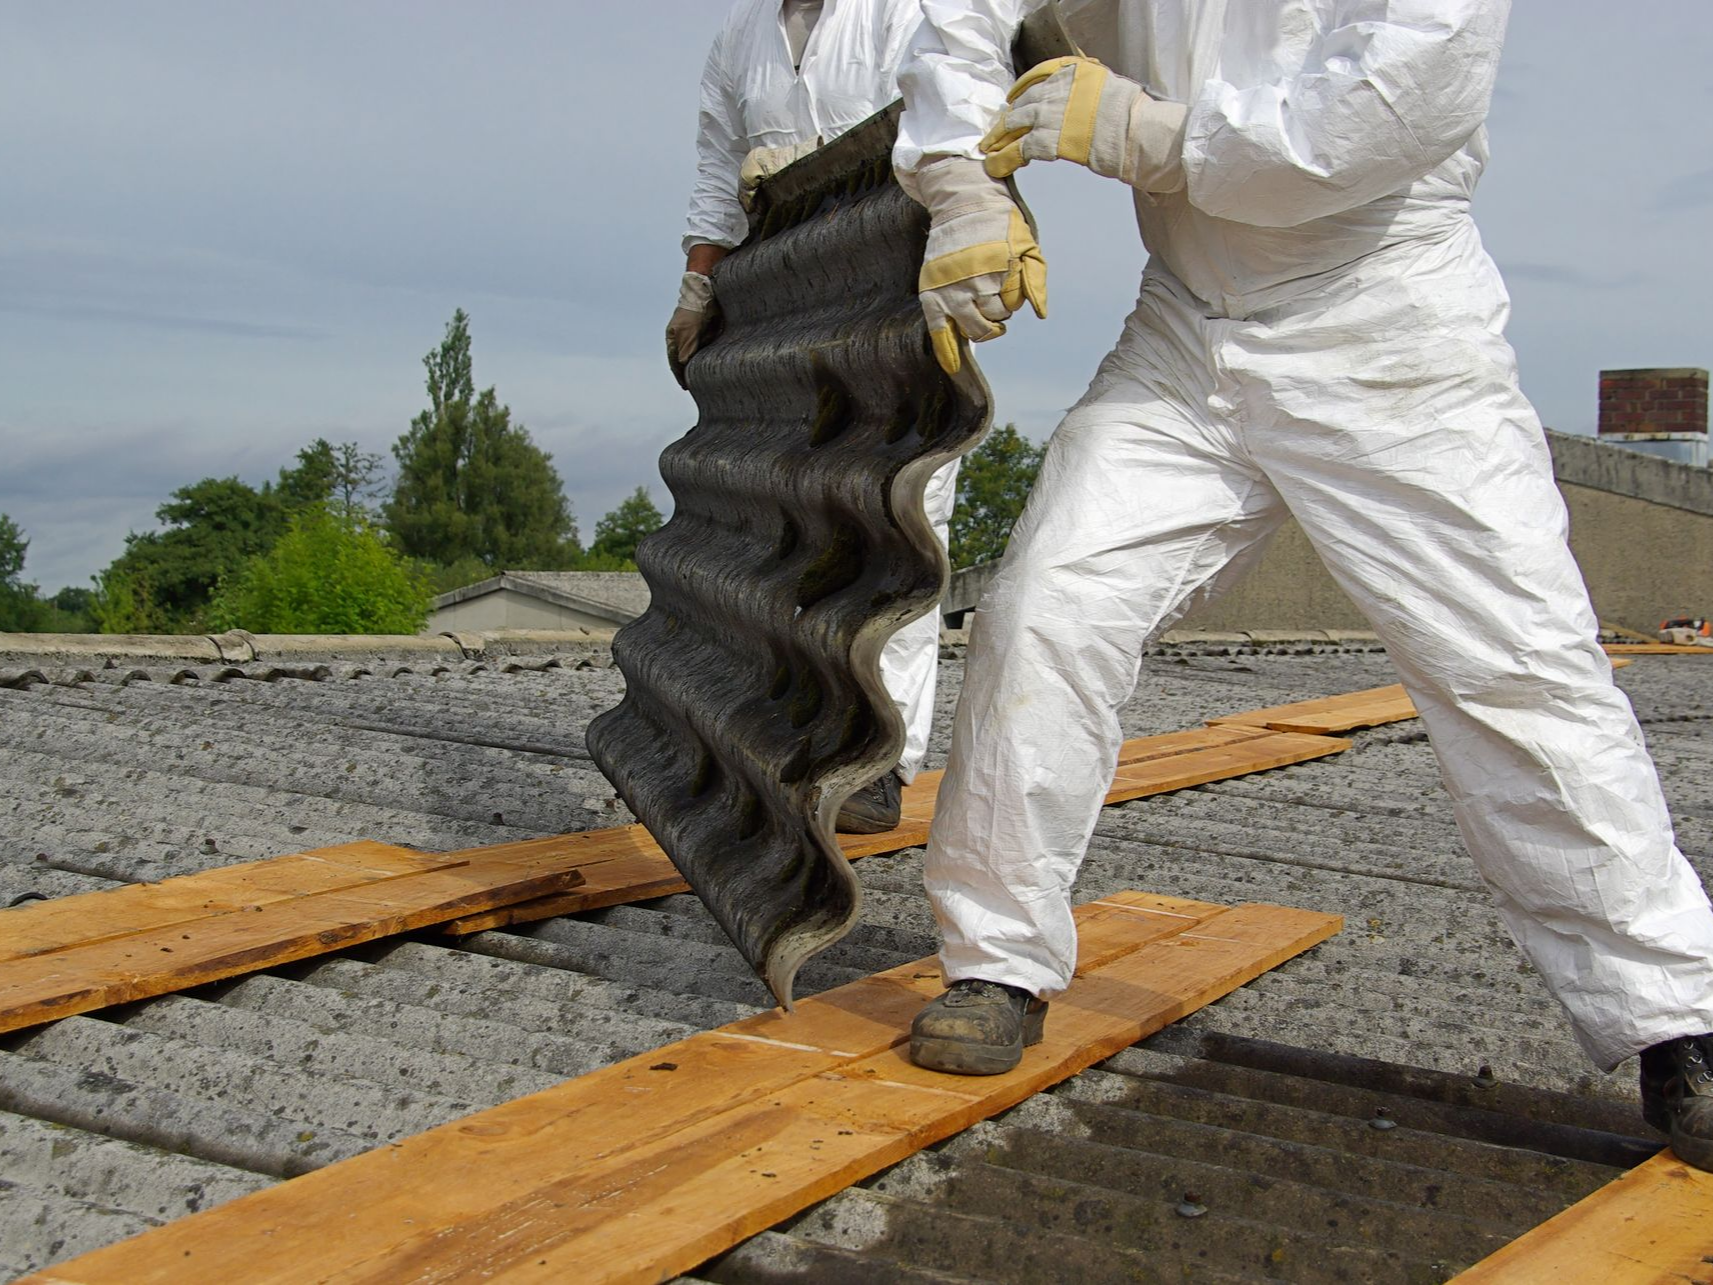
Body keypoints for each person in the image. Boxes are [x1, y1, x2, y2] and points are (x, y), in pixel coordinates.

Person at [891, 0, 1713, 1169]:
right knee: (1044, 611)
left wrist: (1144, 136)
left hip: (1387, 325)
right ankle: (994, 960)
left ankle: (1677, 1015)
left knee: (1515, 667)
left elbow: (1367, 121)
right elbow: (963, 15)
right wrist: (961, 185)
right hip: (1185, 333)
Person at [671, 0, 959, 833]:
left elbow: (950, 120)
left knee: (900, 515)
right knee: (791, 516)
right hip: (788, 293)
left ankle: (882, 759)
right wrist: (699, 283)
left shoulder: (903, 10)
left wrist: (826, 167)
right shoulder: (742, 36)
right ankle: (792, 732)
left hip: (900, 278)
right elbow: (716, 167)